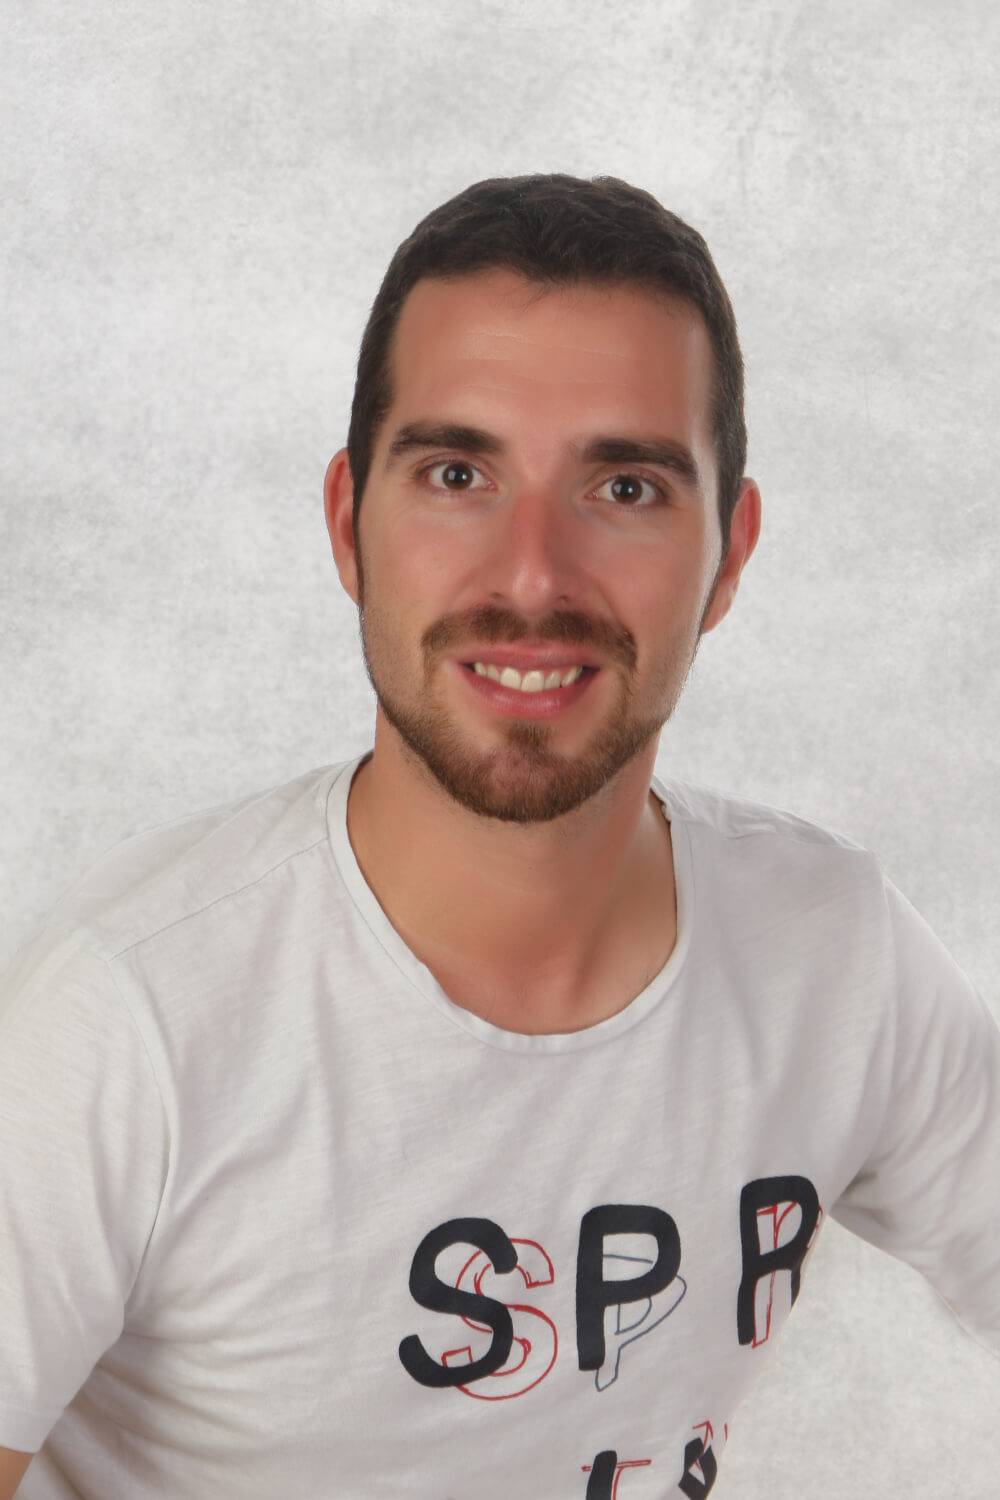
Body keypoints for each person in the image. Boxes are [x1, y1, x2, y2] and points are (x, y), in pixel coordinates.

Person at [0, 173, 996, 1500]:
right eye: (458, 475)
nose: (533, 573)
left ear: (729, 554)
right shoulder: (128, 1018)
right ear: (349, 525)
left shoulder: (834, 950)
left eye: (625, 486)